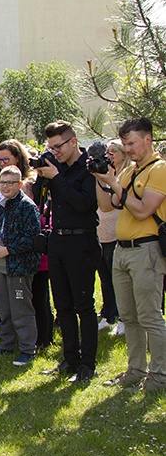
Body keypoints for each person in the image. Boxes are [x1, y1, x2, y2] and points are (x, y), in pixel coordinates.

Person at [94, 116, 166, 392]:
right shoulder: (128, 171)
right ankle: (136, 370)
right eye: (124, 144)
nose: (128, 149)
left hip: (146, 249)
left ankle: (159, 375)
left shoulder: (158, 169)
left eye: (132, 143)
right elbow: (108, 206)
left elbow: (143, 209)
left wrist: (115, 183)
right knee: (129, 315)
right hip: (122, 251)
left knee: (150, 316)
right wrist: (103, 180)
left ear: (148, 139)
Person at [35, 121, 100, 383]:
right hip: (58, 242)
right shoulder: (56, 170)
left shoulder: (89, 169)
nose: (55, 151)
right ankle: (70, 358)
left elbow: (85, 204)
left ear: (73, 142)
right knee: (62, 305)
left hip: (81, 242)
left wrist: (58, 179)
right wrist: (44, 177)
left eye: (58, 146)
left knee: (83, 304)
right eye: (50, 147)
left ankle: (88, 363)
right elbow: (43, 202)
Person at [0, 166, 41, 366]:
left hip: (20, 267)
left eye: (10, 183)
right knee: (4, 309)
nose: (5, 186)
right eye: (3, 182)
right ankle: (6, 345)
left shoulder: (27, 206)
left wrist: (9, 250)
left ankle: (27, 349)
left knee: (21, 309)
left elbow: (33, 239)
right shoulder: (3, 204)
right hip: (2, 266)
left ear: (20, 184)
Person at [96, 139, 130, 335]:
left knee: (119, 278)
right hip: (102, 231)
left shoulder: (124, 175)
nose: (109, 156)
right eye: (107, 152)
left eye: (113, 152)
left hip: (118, 231)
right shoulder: (103, 173)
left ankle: (124, 317)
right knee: (105, 277)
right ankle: (109, 314)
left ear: (123, 154)